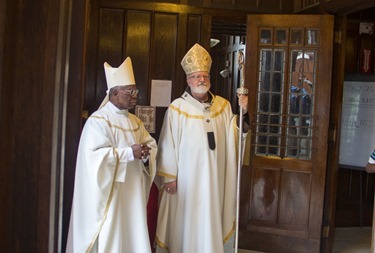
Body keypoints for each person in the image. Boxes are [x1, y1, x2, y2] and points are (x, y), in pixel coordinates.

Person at [155, 43, 249, 253]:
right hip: (186, 182)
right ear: (188, 80)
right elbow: (167, 142)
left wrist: (244, 114)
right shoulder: (177, 108)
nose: (201, 80)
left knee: (211, 217)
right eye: (196, 76)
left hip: (215, 180)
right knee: (186, 223)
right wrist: (169, 176)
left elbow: (234, 136)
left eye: (204, 76)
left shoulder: (223, 106)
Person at [66, 57, 157, 253]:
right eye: (130, 92)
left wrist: (147, 155)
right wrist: (128, 153)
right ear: (115, 93)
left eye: (136, 91)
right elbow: (93, 158)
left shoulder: (136, 121)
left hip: (133, 194)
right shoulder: (98, 121)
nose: (135, 96)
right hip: (111, 196)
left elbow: (150, 144)